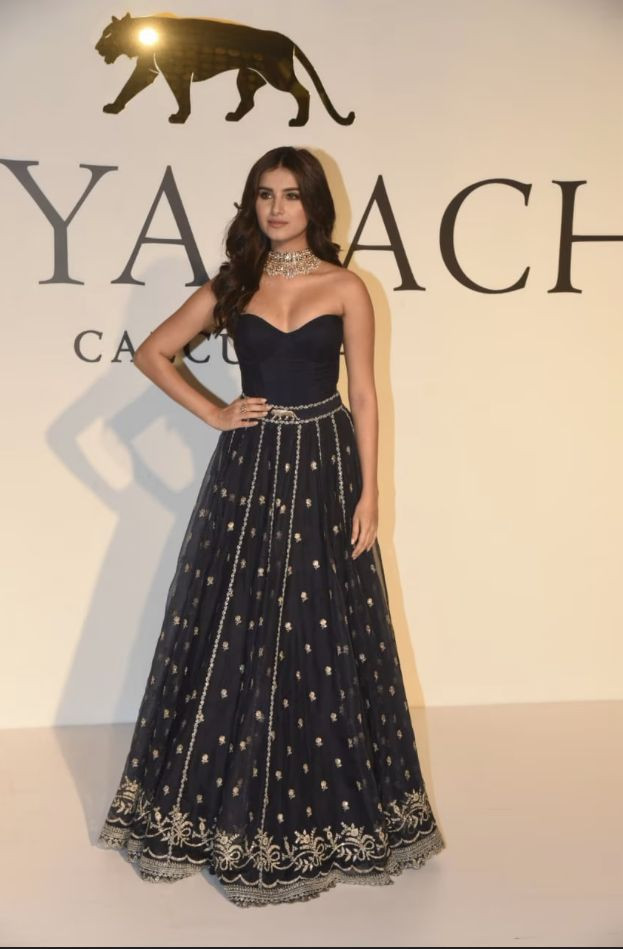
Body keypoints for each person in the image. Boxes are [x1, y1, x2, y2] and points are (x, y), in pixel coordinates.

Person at [97, 145, 445, 907]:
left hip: (323, 465)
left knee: (324, 626)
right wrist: (214, 411)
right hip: (249, 469)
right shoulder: (234, 282)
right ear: (252, 203)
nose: (277, 207)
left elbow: (365, 392)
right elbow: (154, 353)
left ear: (314, 204)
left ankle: (329, 806)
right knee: (238, 619)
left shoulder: (346, 286)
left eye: (290, 194)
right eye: (264, 194)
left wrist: (371, 491)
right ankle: (220, 801)